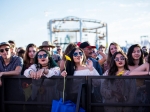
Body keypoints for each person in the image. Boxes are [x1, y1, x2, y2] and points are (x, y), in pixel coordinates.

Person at [0, 42, 24, 112]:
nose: (4, 52)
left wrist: (2, 73)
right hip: (2, 92)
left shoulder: (18, 59)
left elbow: (17, 72)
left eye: (6, 49)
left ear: (10, 50)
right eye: (1, 50)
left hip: (15, 92)